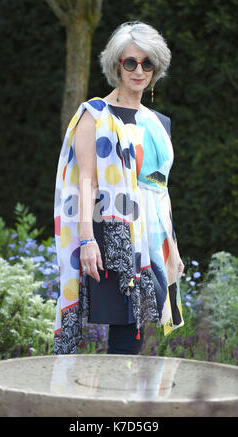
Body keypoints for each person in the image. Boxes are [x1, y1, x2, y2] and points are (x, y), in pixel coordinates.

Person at [53, 21, 185, 356]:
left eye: (147, 63)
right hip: (114, 229)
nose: (139, 70)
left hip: (155, 235)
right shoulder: (95, 115)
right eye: (130, 62)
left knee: (140, 327)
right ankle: (106, 402)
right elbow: (87, 182)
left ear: (156, 69)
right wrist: (86, 240)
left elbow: (162, 189)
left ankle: (122, 399)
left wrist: (174, 249)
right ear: (117, 66)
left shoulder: (160, 122)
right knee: (126, 324)